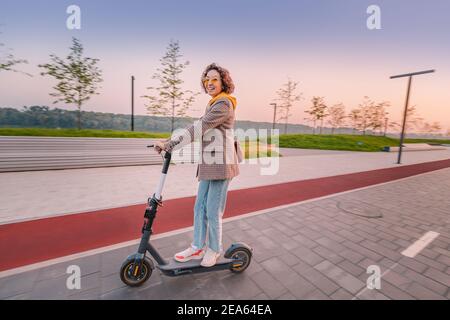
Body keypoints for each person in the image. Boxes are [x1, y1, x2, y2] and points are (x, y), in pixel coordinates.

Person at [154, 63, 242, 267]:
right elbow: (194, 126)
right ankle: (197, 246)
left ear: (223, 82)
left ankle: (214, 249)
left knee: (212, 210)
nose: (209, 83)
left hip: (221, 164)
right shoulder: (214, 103)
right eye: (207, 80)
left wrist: (170, 145)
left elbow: (199, 128)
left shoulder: (223, 104)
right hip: (210, 163)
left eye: (214, 79)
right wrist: (168, 140)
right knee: (199, 206)